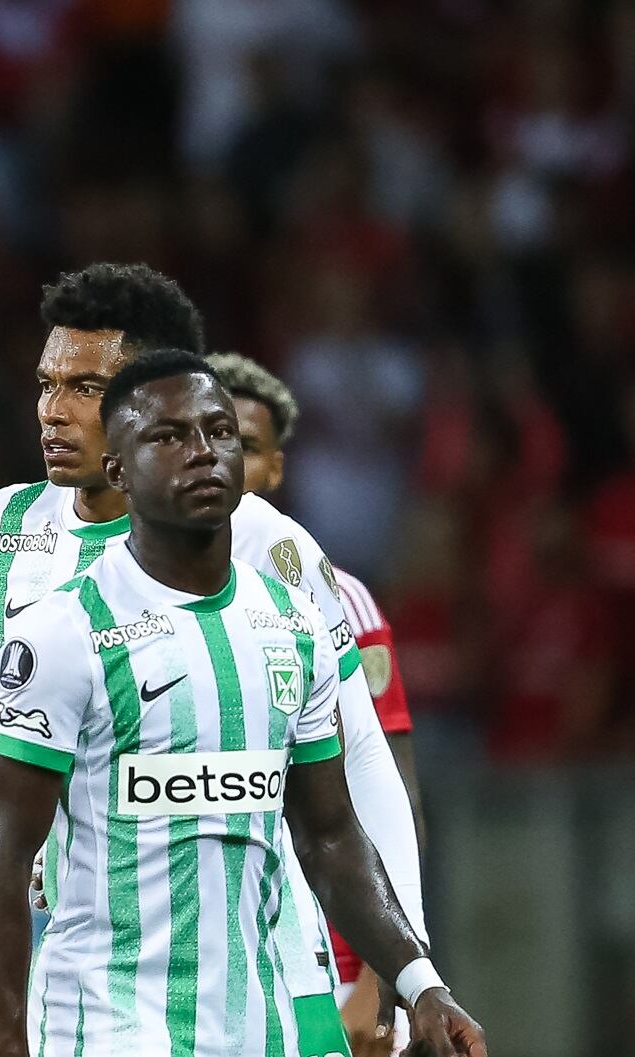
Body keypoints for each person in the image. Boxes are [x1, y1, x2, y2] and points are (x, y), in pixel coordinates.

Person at [0, 264, 427, 1057]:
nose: (51, 412)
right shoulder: (11, 527)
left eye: (83, 387)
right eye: (45, 384)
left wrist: (396, 980)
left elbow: (362, 765)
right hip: (76, 972)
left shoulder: (267, 546)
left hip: (266, 970)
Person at [0, 349, 484, 1057]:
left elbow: (329, 835)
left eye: (218, 433)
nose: (202, 453)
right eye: (168, 437)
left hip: (259, 1026)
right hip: (109, 1027)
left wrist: (420, 980)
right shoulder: (61, 633)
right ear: (117, 469)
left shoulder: (291, 623)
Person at [209, 351, 424, 1055]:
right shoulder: (121, 594)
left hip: (328, 940)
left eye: (242, 443)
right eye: (199, 434)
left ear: (274, 467)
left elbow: (384, 782)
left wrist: (384, 972)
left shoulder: (335, 600)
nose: (216, 457)